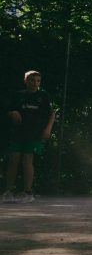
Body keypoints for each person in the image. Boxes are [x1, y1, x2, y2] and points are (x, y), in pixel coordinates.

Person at [2, 71, 55, 203]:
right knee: (13, 159)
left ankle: (27, 192)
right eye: (32, 80)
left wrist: (48, 129)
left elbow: (52, 113)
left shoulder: (43, 96)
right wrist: (12, 113)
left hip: (34, 134)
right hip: (18, 133)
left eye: (38, 81)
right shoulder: (18, 96)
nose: (35, 83)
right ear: (25, 80)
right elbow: (8, 111)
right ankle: (8, 191)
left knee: (27, 160)